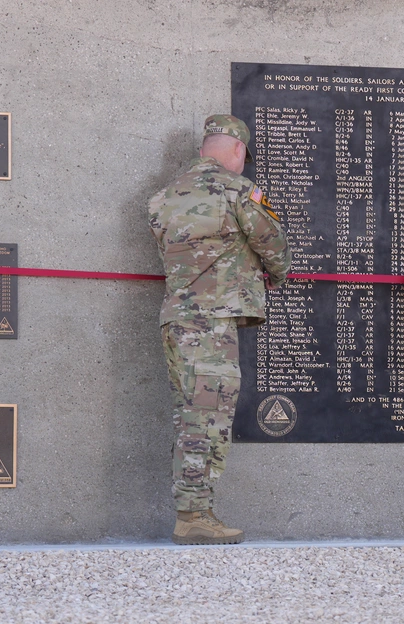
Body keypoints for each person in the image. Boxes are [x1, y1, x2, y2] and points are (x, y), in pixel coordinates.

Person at [149, 114, 291, 545]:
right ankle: (193, 514)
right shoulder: (238, 190)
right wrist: (275, 273)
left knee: (191, 413)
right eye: (244, 157)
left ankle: (197, 509)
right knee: (207, 419)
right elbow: (273, 244)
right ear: (237, 152)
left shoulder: (162, 197)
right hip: (212, 323)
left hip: (177, 319)